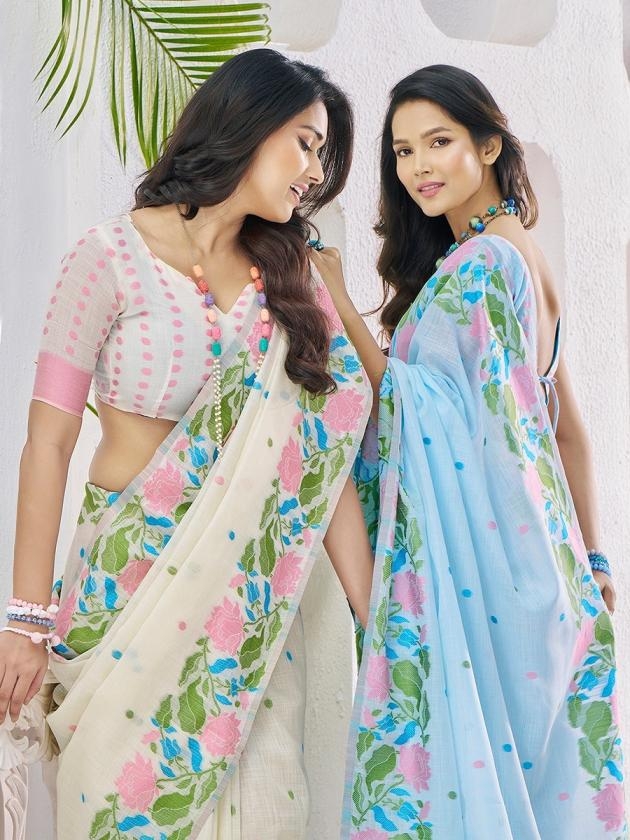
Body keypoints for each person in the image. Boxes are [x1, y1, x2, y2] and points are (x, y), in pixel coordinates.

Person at [0, 48, 375, 839]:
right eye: (306, 143)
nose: (315, 172)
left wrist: (375, 611)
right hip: (123, 586)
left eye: (322, 156)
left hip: (245, 606)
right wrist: (26, 620)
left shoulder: (292, 287)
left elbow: (326, 460)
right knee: (119, 805)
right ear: (250, 122)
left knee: (266, 807)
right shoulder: (108, 258)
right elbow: (48, 443)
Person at [312, 65, 626, 839]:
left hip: (494, 578)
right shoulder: (522, 254)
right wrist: (595, 562)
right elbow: (565, 428)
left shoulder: (483, 265)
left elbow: (416, 403)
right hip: (547, 566)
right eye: (403, 150)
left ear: (488, 146)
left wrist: (335, 296)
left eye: (439, 142)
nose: (418, 166)